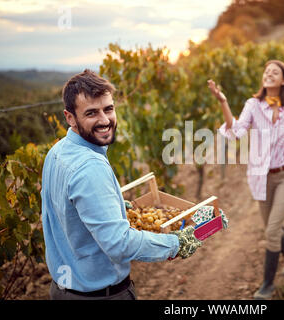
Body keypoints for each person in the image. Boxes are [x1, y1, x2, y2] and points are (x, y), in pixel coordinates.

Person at [41, 69, 201, 300]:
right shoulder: (90, 168)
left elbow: (60, 211)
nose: (105, 120)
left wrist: (108, 205)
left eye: (108, 109)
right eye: (91, 113)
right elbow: (119, 244)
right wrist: (175, 244)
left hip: (63, 289)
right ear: (70, 118)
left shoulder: (57, 152)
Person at [208, 60, 284, 299]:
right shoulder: (253, 105)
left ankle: (267, 285)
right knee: (271, 227)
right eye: (266, 71)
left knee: (273, 228)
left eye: (275, 72)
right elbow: (236, 131)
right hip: (261, 177)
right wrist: (223, 102)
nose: (269, 74)